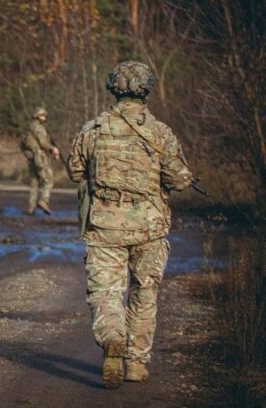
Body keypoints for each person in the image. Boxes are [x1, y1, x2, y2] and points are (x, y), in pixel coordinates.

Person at [68, 61, 193, 389]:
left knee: (106, 292)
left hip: (106, 225)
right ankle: (136, 363)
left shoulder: (93, 129)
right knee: (145, 292)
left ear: (113, 88)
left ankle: (112, 336)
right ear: (146, 90)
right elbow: (179, 180)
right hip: (149, 227)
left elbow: (75, 171)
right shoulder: (161, 133)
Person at [21, 107, 60, 215]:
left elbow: (21, 144)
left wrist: (26, 153)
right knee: (49, 180)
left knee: (34, 183)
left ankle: (31, 208)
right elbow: (43, 143)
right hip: (40, 158)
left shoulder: (28, 128)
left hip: (31, 158)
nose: (44, 118)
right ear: (37, 116)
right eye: (43, 116)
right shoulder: (39, 128)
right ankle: (44, 201)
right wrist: (53, 149)